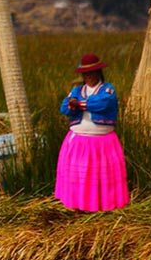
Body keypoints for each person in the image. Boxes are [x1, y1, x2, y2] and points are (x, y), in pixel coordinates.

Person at [54, 53, 129, 211]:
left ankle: (103, 205)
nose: (88, 76)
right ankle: (78, 205)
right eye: (85, 74)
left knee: (100, 177)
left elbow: (102, 104)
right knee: (80, 176)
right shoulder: (76, 90)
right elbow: (64, 107)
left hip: (102, 143)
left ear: (99, 72)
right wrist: (71, 105)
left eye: (92, 73)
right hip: (78, 142)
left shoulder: (108, 90)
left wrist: (78, 104)